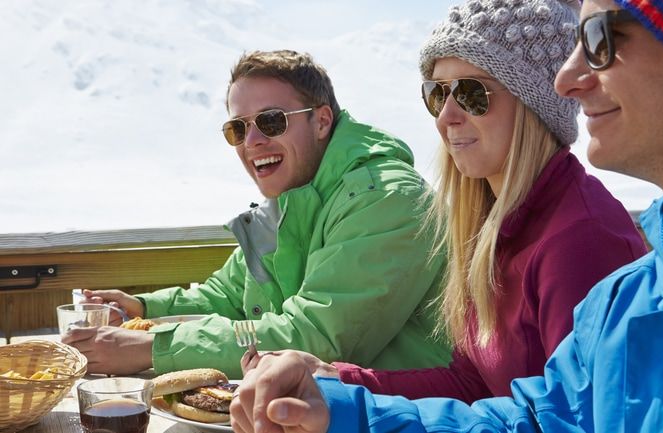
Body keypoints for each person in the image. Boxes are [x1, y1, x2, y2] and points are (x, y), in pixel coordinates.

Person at [229, 0, 663, 431]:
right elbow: (525, 408)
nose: (569, 78)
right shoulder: (630, 293)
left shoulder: (583, 239)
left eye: (602, 41)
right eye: (436, 93)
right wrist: (342, 395)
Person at [62, 50, 452, 378]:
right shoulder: (286, 202)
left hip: (402, 414)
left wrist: (152, 348)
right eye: (237, 128)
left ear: (321, 121)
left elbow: (318, 337)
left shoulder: (384, 198)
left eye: (271, 121)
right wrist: (145, 309)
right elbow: (229, 297)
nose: (252, 141)